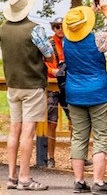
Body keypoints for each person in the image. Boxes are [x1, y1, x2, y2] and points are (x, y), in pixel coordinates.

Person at [60, 0, 107, 194]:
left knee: (79, 137)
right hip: (98, 93)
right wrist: (106, 12)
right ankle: (99, 182)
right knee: (102, 137)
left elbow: (80, 33)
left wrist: (91, 14)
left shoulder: (65, 41)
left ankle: (79, 182)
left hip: (74, 92)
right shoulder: (98, 39)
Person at [0, 0, 52, 191]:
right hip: (33, 85)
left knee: (14, 130)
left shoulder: (3, 29)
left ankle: (11, 177)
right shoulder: (35, 29)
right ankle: (25, 178)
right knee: (28, 132)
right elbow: (47, 54)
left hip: (12, 84)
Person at [44, 18, 67, 167]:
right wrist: (54, 71)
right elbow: (41, 63)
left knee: (76, 120)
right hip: (52, 85)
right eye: (57, 27)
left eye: (62, 26)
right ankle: (50, 157)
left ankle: (78, 157)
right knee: (51, 123)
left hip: (67, 85)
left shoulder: (71, 43)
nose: (60, 29)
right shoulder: (47, 44)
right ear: (53, 29)